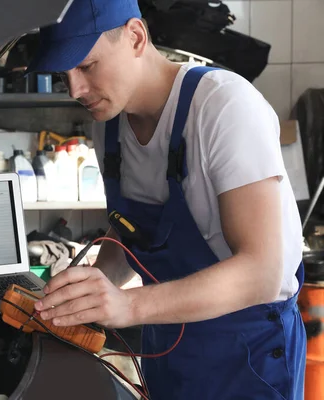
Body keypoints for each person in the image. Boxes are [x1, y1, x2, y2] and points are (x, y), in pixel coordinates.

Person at [26, 0, 307, 398]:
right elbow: (132, 232)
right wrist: (84, 297)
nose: (75, 89)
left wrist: (129, 306)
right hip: (167, 346)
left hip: (247, 352)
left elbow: (261, 272)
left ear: (136, 37)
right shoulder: (109, 130)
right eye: (63, 74)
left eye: (86, 66)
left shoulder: (222, 107)